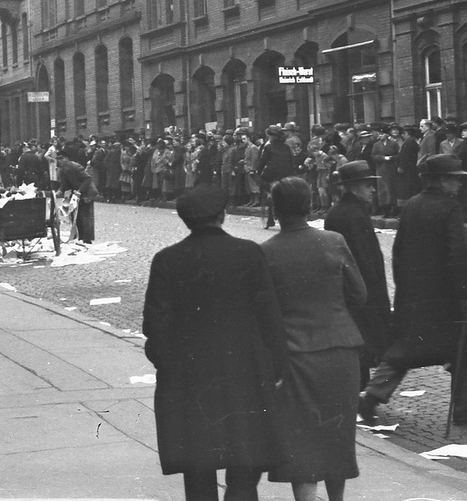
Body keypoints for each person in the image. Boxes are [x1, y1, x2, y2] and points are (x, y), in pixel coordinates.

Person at [143, 185, 288, 501]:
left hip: (189, 380)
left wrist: (169, 368)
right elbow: (270, 318)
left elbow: (155, 327)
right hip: (244, 376)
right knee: (245, 467)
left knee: (198, 471)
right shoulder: (248, 253)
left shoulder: (167, 260)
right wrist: (275, 366)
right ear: (222, 215)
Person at [359, 154, 467, 427]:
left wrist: (403, 286)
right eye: (455, 180)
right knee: (466, 349)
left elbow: (398, 251)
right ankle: (466, 409)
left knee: (404, 350)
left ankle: (372, 395)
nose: (458, 185)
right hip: (447, 297)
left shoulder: (412, 204)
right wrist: (466, 294)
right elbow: (457, 255)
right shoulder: (449, 208)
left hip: (414, 294)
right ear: (442, 181)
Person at [260, 177, 365, 501]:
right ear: (308, 207)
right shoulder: (333, 241)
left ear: (275, 210)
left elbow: (264, 312)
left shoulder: (265, 252)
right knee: (337, 434)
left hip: (295, 355)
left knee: (301, 437)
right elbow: (359, 294)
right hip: (339, 349)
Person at [323, 161, 391, 389]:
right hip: (363, 290)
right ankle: (360, 392)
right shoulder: (354, 215)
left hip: (350, 288)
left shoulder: (341, 212)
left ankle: (359, 387)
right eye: (366, 185)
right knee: (365, 338)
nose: (372, 190)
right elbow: (363, 257)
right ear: (352, 187)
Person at [258, 125, 298, 229]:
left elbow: (263, 161)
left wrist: (258, 172)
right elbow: (291, 161)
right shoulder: (286, 147)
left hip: (272, 176)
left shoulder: (268, 147)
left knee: (269, 194)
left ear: (271, 136)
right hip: (286, 175)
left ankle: (270, 217)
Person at [56, 152, 97, 244]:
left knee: (86, 217)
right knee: (75, 216)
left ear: (67, 158)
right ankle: (80, 237)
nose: (59, 161)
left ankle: (87, 239)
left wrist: (79, 190)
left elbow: (87, 179)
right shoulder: (63, 169)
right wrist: (59, 192)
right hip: (76, 193)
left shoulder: (76, 167)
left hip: (87, 192)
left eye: (61, 158)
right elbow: (64, 184)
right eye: (58, 159)